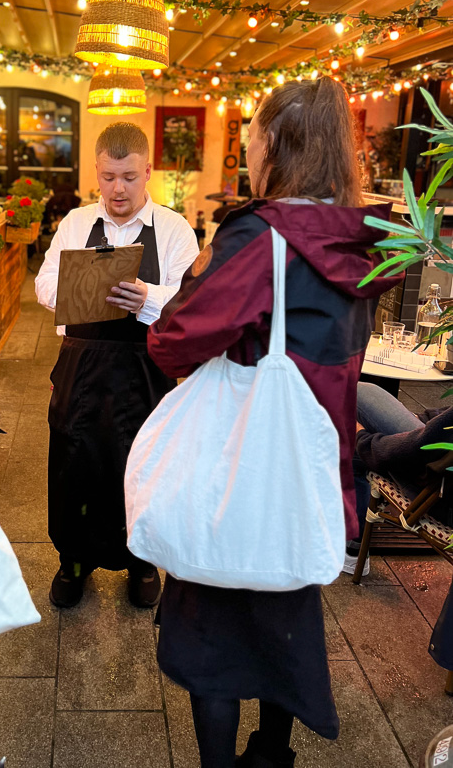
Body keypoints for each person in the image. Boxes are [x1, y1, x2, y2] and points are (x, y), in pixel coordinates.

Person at [146, 77, 400, 768]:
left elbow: (172, 339)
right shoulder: (367, 242)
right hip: (315, 468)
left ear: (275, 144)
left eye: (253, 137)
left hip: (242, 469)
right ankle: (271, 754)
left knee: (216, 643)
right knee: (283, 627)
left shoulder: (261, 238)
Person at [35, 122, 198, 609]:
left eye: (128, 176)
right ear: (97, 172)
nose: (118, 189)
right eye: (108, 177)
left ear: (148, 171)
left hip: (144, 368)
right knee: (74, 464)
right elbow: (43, 283)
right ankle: (73, 562)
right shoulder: (75, 222)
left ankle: (143, 562)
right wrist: (78, 288)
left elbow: (190, 300)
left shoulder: (172, 229)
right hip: (80, 367)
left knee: (142, 465)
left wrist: (147, 297)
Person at [347, 381, 453, 575]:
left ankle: (352, 543)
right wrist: (427, 421)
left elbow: (417, 449)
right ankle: (352, 546)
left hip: (437, 489)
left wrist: (362, 438)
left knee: (351, 392)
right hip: (438, 465)